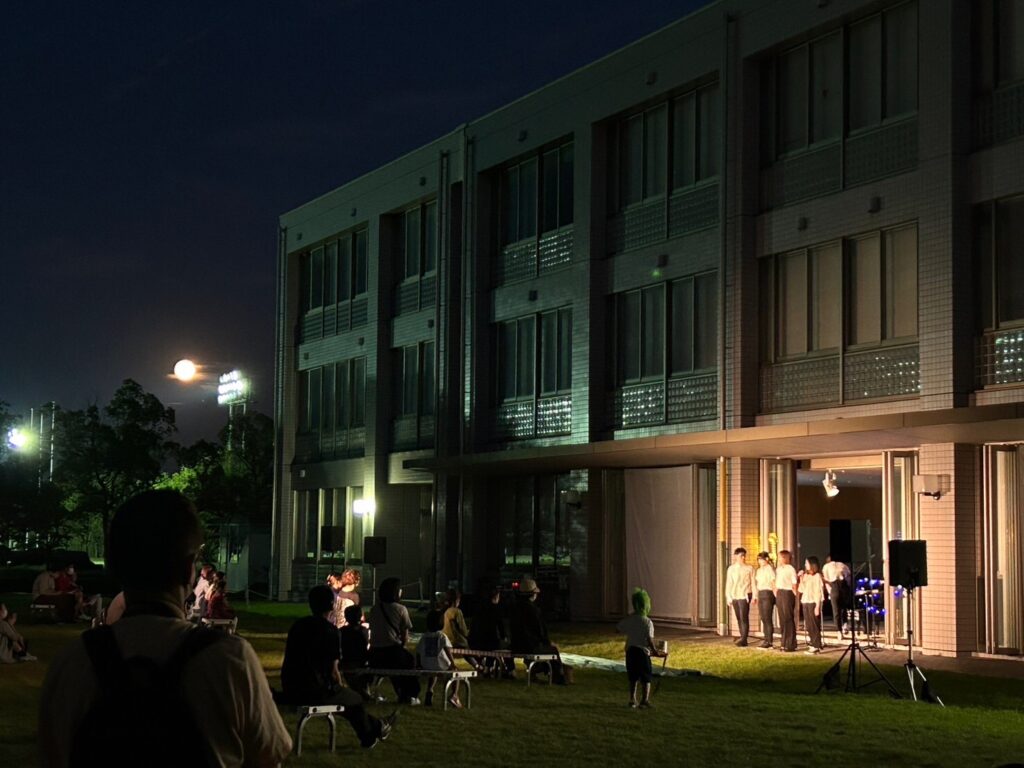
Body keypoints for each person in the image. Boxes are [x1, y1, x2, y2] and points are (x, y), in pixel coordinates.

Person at [38, 489, 292, 767]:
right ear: (188, 570)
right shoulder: (229, 660)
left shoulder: (73, 662)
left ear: (115, 567)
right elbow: (269, 756)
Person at [280, 585, 396, 749]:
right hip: (316, 691)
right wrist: (340, 688)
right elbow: (334, 669)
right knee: (354, 699)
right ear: (332, 605)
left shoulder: (298, 626)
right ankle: (373, 732)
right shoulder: (330, 631)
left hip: (291, 687)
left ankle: (375, 730)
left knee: (348, 702)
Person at [367, 577, 421, 705]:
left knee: (398, 664)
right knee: (408, 662)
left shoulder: (374, 609)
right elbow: (405, 636)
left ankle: (401, 694)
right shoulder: (401, 609)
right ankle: (409, 694)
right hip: (392, 653)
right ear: (396, 592)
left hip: (374, 654)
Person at [509, 577, 569, 684]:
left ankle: (536, 671)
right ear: (533, 594)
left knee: (543, 649)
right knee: (553, 650)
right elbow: (540, 631)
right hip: (530, 647)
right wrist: (547, 642)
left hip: (516, 646)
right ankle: (558, 676)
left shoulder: (515, 608)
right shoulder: (533, 610)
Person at [615, 588, 667, 709]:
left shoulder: (630, 619)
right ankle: (644, 700)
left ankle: (632, 699)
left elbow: (617, 629)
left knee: (633, 677)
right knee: (646, 677)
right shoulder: (647, 622)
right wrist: (655, 652)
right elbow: (649, 640)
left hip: (630, 651)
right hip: (642, 652)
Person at [416, 609, 462, 707]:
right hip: (441, 665)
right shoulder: (442, 636)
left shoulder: (424, 636)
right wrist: (452, 663)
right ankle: (454, 695)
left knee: (433, 674)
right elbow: (447, 650)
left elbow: (418, 652)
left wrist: (419, 664)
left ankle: (429, 690)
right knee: (456, 673)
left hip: (427, 665)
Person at [467, 585, 513, 678]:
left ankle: (488, 668)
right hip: (487, 643)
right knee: (505, 648)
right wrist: (504, 637)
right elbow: (500, 627)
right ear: (496, 596)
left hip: (475, 642)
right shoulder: (496, 610)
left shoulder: (480, 609)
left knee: (492, 644)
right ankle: (510, 670)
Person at [442, 589, 481, 672]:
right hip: (457, 642)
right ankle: (478, 665)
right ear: (456, 600)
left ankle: (477, 665)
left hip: (447, 641)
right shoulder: (457, 611)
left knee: (466, 648)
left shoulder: (445, 612)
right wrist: (468, 634)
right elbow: (463, 629)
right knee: (468, 648)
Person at [339, 604, 372, 700]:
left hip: (347, 662)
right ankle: (364, 694)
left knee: (354, 682)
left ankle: (362, 694)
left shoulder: (341, 631)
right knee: (359, 682)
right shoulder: (363, 630)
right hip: (362, 662)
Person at [725, 547, 755, 647]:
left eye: (744, 556)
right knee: (739, 617)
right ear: (736, 556)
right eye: (741, 556)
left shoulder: (749, 568)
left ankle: (744, 638)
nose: (743, 558)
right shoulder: (731, 569)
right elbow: (729, 583)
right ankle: (742, 637)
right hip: (735, 595)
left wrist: (754, 595)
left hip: (745, 594)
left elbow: (753, 583)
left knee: (744, 617)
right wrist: (728, 596)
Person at [774, 550, 799, 653]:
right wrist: (776, 591)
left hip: (788, 592)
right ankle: (783, 642)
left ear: (786, 558)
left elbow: (794, 582)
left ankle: (790, 643)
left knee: (788, 617)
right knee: (782, 618)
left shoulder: (790, 569)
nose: (779, 559)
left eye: (781, 557)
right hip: (780, 592)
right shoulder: (778, 569)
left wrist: (794, 593)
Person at [799, 556, 825, 654]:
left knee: (814, 624)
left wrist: (817, 606)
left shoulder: (817, 576)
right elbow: (801, 589)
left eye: (807, 563)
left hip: (813, 602)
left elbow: (818, 592)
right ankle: (813, 643)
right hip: (805, 601)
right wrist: (801, 578)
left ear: (812, 564)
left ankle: (816, 645)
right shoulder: (806, 576)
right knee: (809, 625)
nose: (805, 565)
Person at [822, 554, 852, 639]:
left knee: (841, 609)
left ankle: (843, 627)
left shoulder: (841, 565)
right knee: (839, 609)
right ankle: (841, 628)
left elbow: (848, 576)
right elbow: (826, 579)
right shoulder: (828, 566)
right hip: (837, 586)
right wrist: (830, 591)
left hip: (840, 586)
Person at [754, 552, 776, 650]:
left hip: (768, 592)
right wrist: (756, 596)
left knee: (767, 618)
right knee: (763, 617)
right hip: (761, 592)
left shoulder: (769, 569)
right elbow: (757, 583)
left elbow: (773, 581)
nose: (760, 561)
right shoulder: (759, 570)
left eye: (761, 559)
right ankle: (766, 639)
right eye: (758, 559)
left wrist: (775, 594)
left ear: (766, 559)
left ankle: (769, 641)